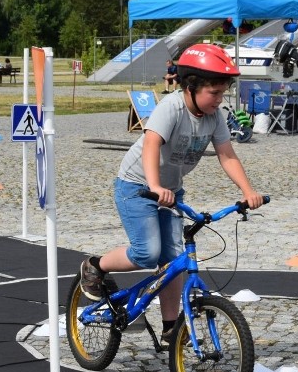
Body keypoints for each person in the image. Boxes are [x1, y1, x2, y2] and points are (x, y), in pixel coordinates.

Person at [79, 43, 264, 344]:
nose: (220, 99)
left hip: (170, 192)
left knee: (173, 259)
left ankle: (169, 328)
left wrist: (248, 192)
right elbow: (152, 144)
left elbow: (227, 155)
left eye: (223, 93)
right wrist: (154, 186)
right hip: (137, 186)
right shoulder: (172, 107)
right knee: (147, 253)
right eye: (214, 93)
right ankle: (94, 266)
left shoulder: (214, 117)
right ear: (190, 87)